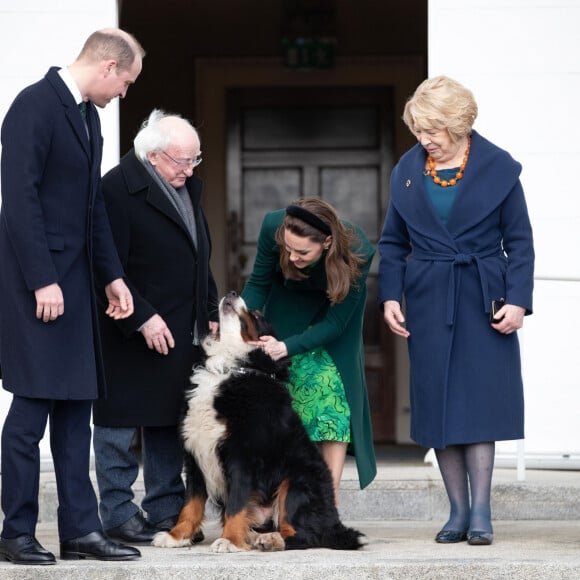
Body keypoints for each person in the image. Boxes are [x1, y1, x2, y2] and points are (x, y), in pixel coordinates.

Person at [0, 29, 145, 565]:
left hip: (79, 287)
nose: (125, 94)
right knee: (31, 408)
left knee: (74, 412)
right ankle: (15, 533)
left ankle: (80, 531)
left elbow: (92, 210)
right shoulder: (33, 106)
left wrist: (113, 277)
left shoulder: (88, 119)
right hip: (38, 287)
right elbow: (18, 201)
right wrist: (42, 280)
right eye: (126, 82)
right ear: (108, 67)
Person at [378, 75, 534, 546]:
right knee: (438, 403)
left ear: (460, 125)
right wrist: (390, 295)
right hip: (428, 299)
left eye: (434, 130)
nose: (426, 140)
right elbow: (391, 242)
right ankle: (457, 512)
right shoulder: (407, 169)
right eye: (419, 130)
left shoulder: (499, 169)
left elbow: (521, 243)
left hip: (483, 299)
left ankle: (482, 512)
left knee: (479, 404)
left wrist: (519, 301)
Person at [92, 109, 218, 545]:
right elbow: (106, 266)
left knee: (169, 420)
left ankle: (165, 509)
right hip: (130, 326)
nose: (189, 169)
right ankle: (118, 514)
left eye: (194, 160)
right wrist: (141, 316)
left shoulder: (184, 185)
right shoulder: (116, 189)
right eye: (181, 160)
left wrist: (209, 310)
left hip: (182, 326)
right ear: (152, 155)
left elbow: (199, 256)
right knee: (119, 425)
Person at [241, 197, 377, 503]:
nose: (292, 256)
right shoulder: (274, 226)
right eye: (288, 249)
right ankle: (275, 498)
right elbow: (259, 283)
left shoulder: (357, 250)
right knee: (284, 406)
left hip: (334, 321)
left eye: (302, 252)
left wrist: (287, 347)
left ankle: (329, 501)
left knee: (332, 402)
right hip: (286, 310)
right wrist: (238, 320)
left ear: (327, 242)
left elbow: (336, 323)